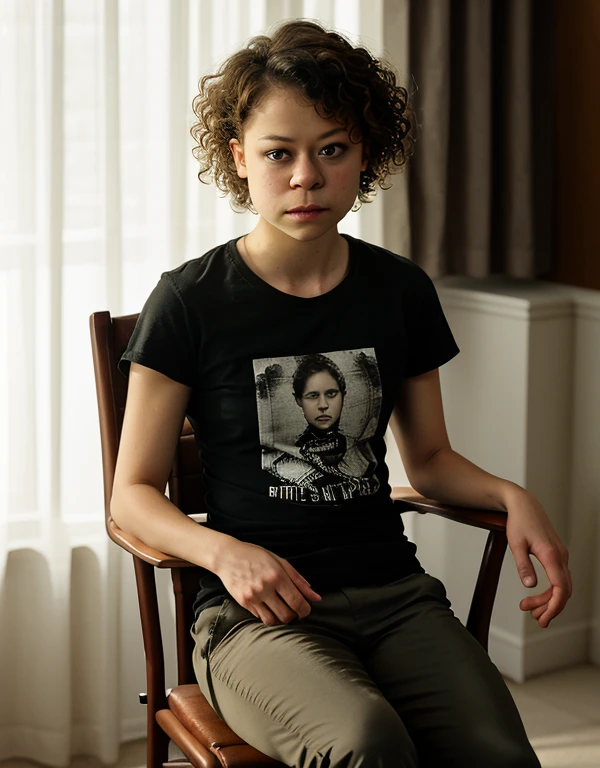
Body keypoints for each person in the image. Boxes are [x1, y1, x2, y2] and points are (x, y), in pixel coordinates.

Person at [111, 18, 571, 768]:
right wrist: (226, 555)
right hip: (256, 616)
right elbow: (130, 495)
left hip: (394, 594)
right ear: (239, 159)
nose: (305, 177)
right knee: (368, 745)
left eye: (332, 149)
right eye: (278, 154)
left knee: (502, 756)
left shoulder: (399, 291)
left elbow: (428, 459)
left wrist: (511, 493)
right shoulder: (190, 302)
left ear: (365, 155)